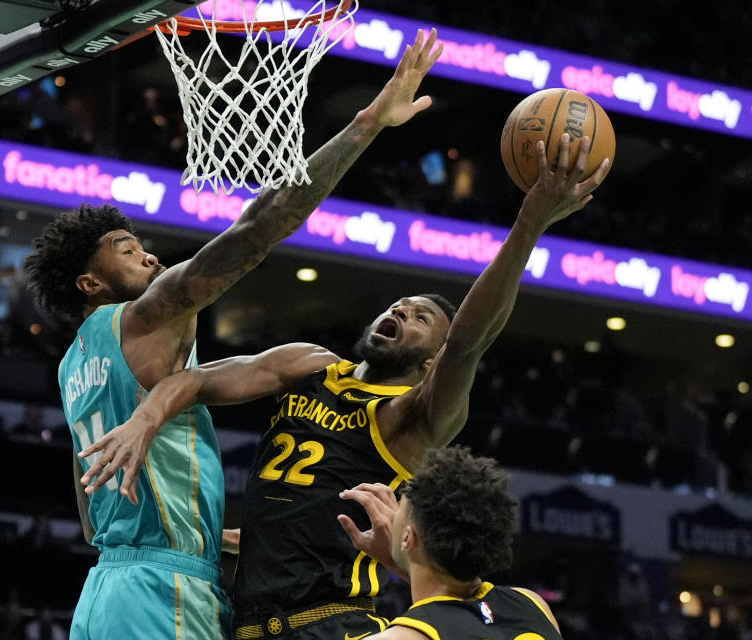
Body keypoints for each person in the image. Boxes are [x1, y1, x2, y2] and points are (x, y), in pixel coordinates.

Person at [78, 135, 609, 638]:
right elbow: (193, 380)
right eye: (400, 305)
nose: (401, 309)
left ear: (430, 363)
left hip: (332, 621)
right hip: (243, 620)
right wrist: (145, 419)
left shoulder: (412, 417)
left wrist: (530, 223)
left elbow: (469, 340)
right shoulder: (310, 364)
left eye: (421, 317)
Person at [22, 29, 446, 640]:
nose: (147, 256)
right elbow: (257, 230)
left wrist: (211, 535)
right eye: (126, 249)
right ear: (90, 283)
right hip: (165, 592)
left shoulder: (72, 366)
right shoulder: (146, 317)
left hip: (106, 590)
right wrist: (367, 123)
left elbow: (94, 518)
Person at [337, 446, 563, 640]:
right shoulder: (533, 605)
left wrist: (409, 557)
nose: (392, 516)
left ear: (409, 537)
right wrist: (406, 559)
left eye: (400, 510)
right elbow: (463, 609)